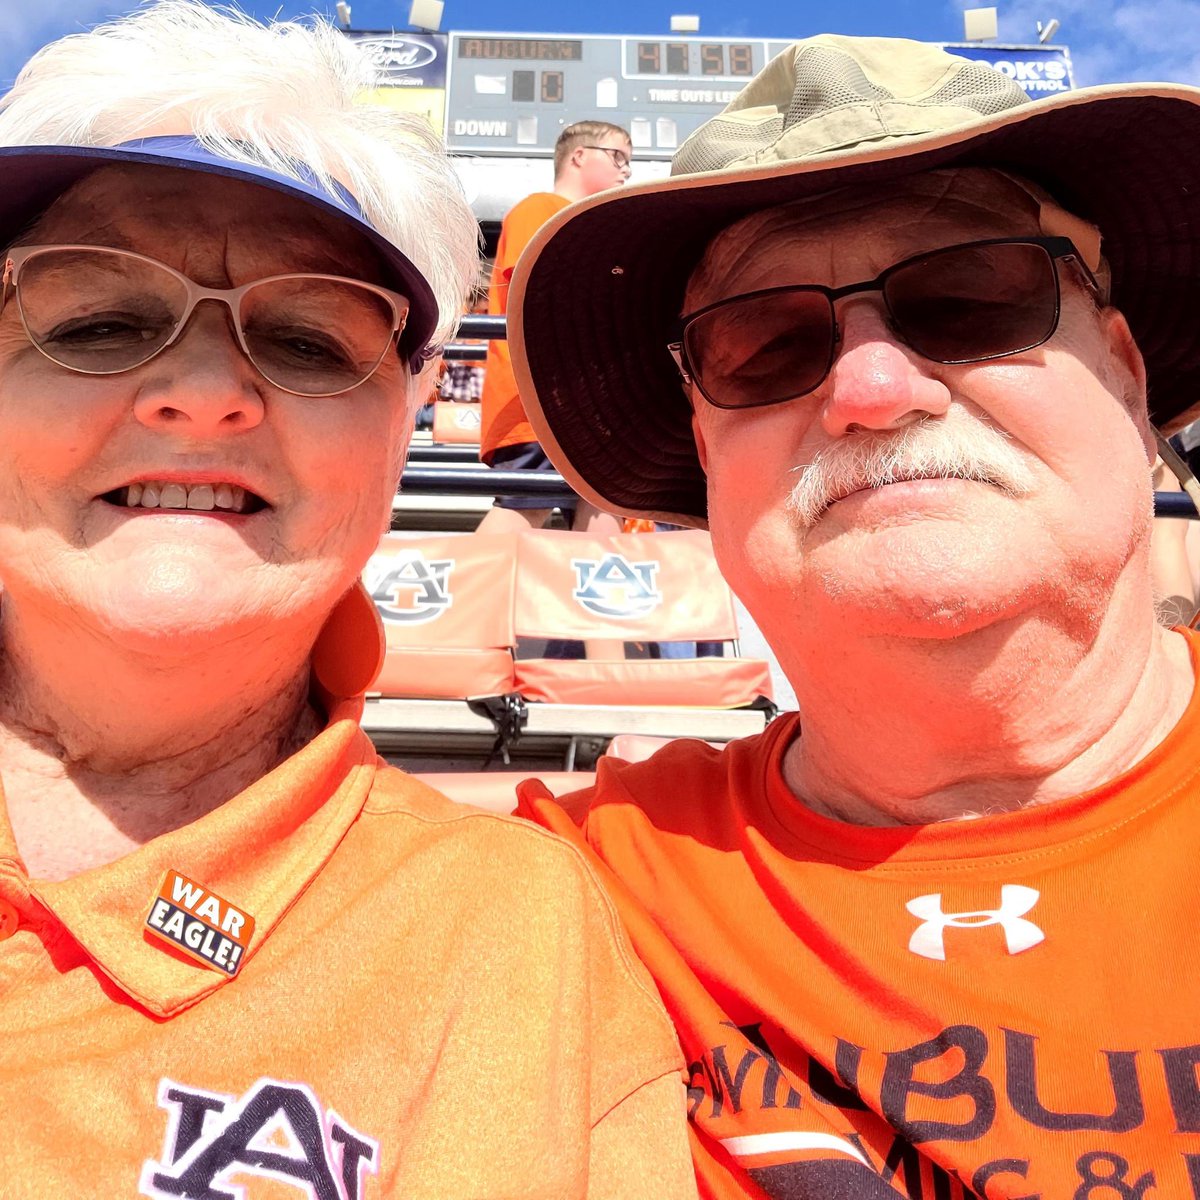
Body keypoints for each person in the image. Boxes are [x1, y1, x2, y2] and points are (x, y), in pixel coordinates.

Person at [0, 5, 697, 1196]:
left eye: (310, 341)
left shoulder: (516, 940)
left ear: (401, 426)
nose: (205, 393)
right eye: (102, 320)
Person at [509, 34, 1200, 1198]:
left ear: (1126, 378)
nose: (872, 391)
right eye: (764, 344)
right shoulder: (575, 897)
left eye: (975, 295)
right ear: (705, 453)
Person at [477, 120, 631, 537]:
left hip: (586, 403)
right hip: (542, 402)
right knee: (525, 510)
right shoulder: (539, 208)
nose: (626, 170)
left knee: (603, 512)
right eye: (618, 157)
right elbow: (542, 291)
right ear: (579, 156)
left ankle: (598, 604)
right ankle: (463, 599)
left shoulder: (588, 222)